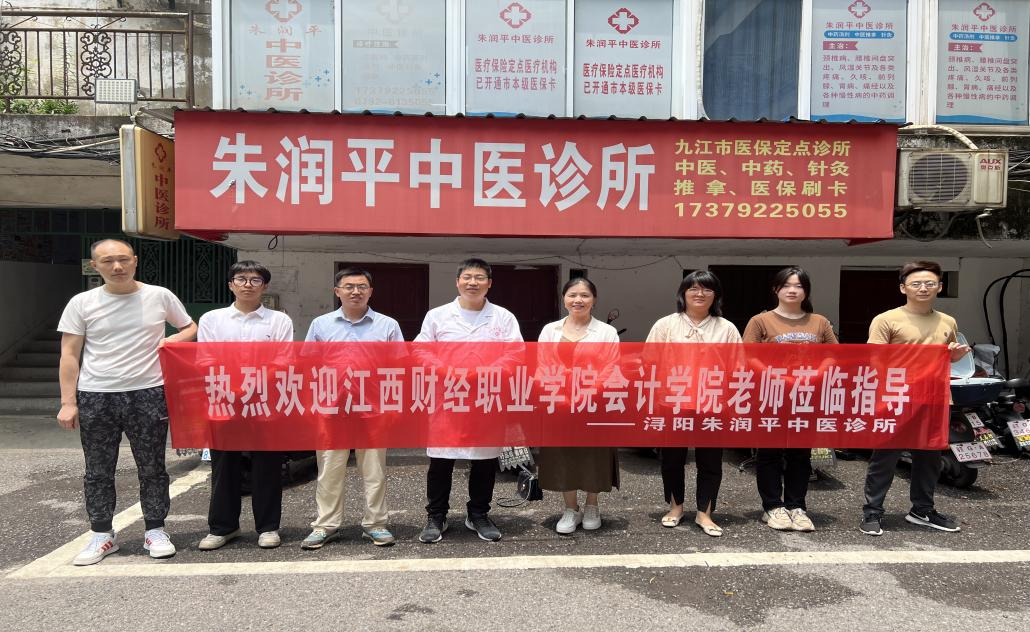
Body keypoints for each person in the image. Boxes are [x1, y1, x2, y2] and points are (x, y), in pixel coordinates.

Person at [57, 239, 197, 566]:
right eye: (108, 261)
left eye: (123, 259)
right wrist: (68, 401)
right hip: (96, 394)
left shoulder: (159, 296)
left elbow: (190, 326)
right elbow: (69, 354)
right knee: (97, 470)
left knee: (152, 467)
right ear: (95, 266)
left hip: (148, 392)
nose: (117, 267)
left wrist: (171, 339)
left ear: (135, 261)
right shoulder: (82, 302)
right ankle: (102, 534)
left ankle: (155, 530)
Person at [416, 258, 523, 543]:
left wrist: (486, 373)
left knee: (484, 461)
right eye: (467, 277)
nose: (472, 282)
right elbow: (420, 350)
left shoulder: (503, 317)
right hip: (448, 397)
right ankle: (436, 516)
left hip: (486, 398)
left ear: (489, 283)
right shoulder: (438, 316)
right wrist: (444, 370)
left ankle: (478, 514)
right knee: (441, 460)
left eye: (479, 277)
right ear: (457, 282)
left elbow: (515, 353)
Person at [860, 261, 970, 536]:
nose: (923, 288)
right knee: (885, 457)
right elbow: (874, 359)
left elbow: (945, 358)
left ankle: (922, 510)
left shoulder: (948, 321)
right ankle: (872, 512)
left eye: (930, 283)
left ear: (940, 287)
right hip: (895, 396)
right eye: (916, 283)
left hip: (934, 397)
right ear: (903, 288)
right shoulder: (886, 319)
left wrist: (955, 357)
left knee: (929, 458)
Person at [301, 267, 402, 549]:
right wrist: (311, 403)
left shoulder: (388, 325)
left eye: (361, 286)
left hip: (374, 407)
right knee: (330, 469)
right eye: (349, 286)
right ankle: (326, 525)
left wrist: (394, 404)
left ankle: (376, 524)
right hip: (332, 408)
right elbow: (308, 365)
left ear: (370, 292)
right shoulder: (321, 324)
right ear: (337, 291)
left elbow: (400, 366)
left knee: (374, 470)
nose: (355, 291)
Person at [196, 261, 294, 551]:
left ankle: (268, 527)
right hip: (224, 400)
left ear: (265, 286)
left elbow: (284, 360)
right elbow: (206, 359)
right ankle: (223, 527)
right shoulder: (212, 319)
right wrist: (234, 387)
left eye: (255, 279)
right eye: (241, 279)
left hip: (265, 402)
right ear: (231, 285)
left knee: (267, 466)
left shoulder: (279, 321)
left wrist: (252, 385)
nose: (248, 284)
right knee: (224, 466)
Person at [646, 270, 741, 537]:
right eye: (693, 288)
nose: (700, 294)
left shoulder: (727, 328)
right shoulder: (665, 325)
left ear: (716, 295)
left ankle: (704, 512)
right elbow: (649, 361)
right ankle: (675, 507)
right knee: (672, 459)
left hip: (712, 403)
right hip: (674, 402)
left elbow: (738, 367)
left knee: (710, 461)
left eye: (707, 289)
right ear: (683, 294)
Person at [742, 266, 838, 533]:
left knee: (800, 454)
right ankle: (772, 507)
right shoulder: (760, 321)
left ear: (806, 291)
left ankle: (797, 507)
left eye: (799, 286)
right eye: (786, 285)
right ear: (776, 289)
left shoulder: (819, 322)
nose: (792, 290)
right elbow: (747, 356)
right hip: (771, 396)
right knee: (769, 453)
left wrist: (817, 374)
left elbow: (834, 354)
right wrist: (775, 376)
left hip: (806, 396)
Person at [536, 277, 621, 534]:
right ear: (564, 299)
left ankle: (592, 505)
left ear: (594, 300)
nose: (578, 300)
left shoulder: (606, 332)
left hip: (594, 404)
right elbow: (542, 366)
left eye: (584, 295)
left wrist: (588, 393)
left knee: (593, 455)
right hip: (559, 404)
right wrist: (561, 397)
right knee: (564, 455)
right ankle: (570, 508)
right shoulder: (550, 330)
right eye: (572, 295)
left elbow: (611, 368)